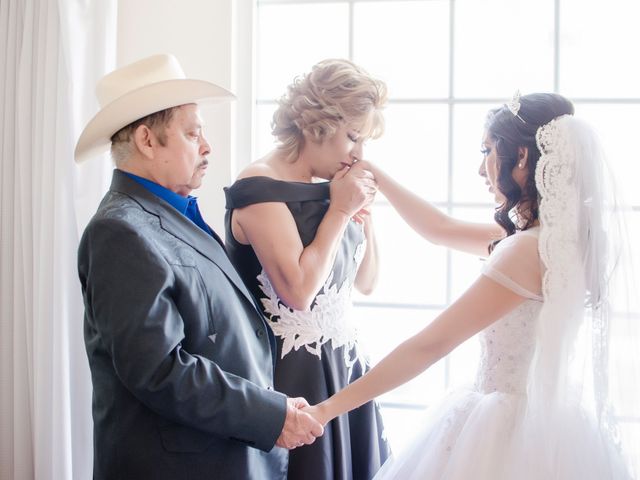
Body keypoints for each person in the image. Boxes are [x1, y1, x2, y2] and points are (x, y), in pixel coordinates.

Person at [304, 92, 636, 479]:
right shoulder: (566, 239)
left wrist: (325, 409)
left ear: (523, 157)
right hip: (553, 424)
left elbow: (429, 345)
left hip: (504, 433)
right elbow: (441, 230)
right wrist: (375, 175)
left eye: (488, 150)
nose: (482, 169)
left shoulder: (523, 252)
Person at [75, 53, 323, 480]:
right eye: (192, 134)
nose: (207, 147)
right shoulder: (120, 231)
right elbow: (159, 370)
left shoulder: (171, 213)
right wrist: (269, 415)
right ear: (147, 141)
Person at [223, 58, 391, 479]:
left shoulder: (333, 190)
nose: (358, 154)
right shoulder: (259, 187)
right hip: (291, 380)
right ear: (318, 123)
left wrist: (365, 219)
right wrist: (338, 211)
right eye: (353, 137)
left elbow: (367, 282)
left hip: (346, 370)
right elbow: (298, 293)